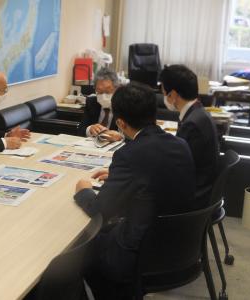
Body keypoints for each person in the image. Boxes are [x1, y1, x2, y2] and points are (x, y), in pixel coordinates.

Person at [74, 83, 197, 299]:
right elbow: (158, 176)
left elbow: (100, 210)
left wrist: (83, 190)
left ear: (120, 122)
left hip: (140, 252)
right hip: (181, 246)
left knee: (76, 252)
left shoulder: (128, 155)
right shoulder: (180, 144)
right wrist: (123, 179)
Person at [159, 64, 219, 208]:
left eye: (163, 92)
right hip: (200, 189)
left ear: (172, 95)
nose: (163, 97)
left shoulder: (192, 125)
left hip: (193, 199)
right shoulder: (199, 113)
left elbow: (177, 169)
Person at [79, 67, 123, 142]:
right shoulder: (91, 102)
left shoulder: (125, 105)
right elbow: (80, 130)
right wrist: (89, 129)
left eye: (108, 91)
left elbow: (135, 135)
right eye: (100, 91)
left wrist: (121, 137)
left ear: (116, 89)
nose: (104, 96)